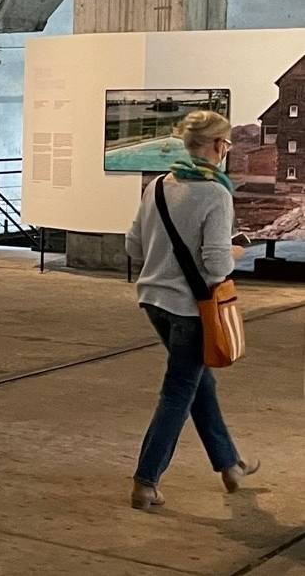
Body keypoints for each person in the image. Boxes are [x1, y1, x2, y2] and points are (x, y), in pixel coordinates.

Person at [124, 110, 258, 510]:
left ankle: (230, 465)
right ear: (218, 146)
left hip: (154, 300)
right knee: (178, 392)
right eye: (227, 144)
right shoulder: (215, 193)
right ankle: (145, 481)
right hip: (191, 308)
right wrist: (238, 248)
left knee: (199, 384)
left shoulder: (159, 186)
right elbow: (217, 265)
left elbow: (133, 246)